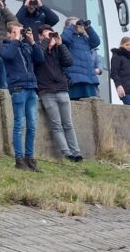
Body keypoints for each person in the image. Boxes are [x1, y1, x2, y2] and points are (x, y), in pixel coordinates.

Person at [34, 25, 82, 162]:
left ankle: (76, 152)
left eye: (52, 35)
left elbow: (69, 62)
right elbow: (37, 59)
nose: (51, 38)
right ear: (40, 37)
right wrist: (45, 42)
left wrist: (60, 45)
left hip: (62, 89)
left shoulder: (57, 50)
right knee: (56, 125)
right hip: (46, 91)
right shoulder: (37, 49)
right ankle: (67, 153)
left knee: (68, 123)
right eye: (47, 35)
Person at [2, 21, 45, 172]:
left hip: (31, 88)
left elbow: (40, 59)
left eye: (20, 32)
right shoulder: (6, 45)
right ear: (9, 33)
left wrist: (32, 41)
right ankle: (19, 159)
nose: (19, 34)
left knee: (32, 125)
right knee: (19, 124)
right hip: (18, 88)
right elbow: (8, 55)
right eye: (15, 31)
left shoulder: (26, 46)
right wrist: (14, 39)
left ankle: (30, 158)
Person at [61, 17, 101, 100]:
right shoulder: (68, 38)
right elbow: (64, 39)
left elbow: (96, 41)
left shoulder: (84, 39)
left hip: (88, 78)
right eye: (77, 24)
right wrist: (72, 26)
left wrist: (88, 27)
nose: (79, 26)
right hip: (75, 78)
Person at [110, 37, 130, 106]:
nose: (129, 47)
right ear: (121, 45)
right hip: (125, 88)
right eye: (127, 45)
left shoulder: (129, 57)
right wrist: (119, 86)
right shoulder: (117, 55)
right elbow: (114, 72)